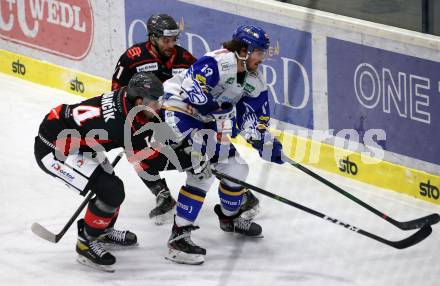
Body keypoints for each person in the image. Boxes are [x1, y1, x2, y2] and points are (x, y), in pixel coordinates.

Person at [34, 72, 196, 272]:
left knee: (110, 187)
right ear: (139, 101)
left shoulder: (126, 99)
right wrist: (190, 161)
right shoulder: (124, 125)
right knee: (111, 190)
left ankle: (102, 232)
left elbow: (152, 124)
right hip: (54, 149)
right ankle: (86, 242)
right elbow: (150, 160)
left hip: (74, 138)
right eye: (155, 102)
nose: (159, 106)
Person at [112, 13, 260, 224]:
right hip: (146, 118)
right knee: (137, 152)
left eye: (174, 39)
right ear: (152, 37)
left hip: (180, 114)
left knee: (204, 150)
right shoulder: (132, 57)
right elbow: (117, 92)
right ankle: (162, 194)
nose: (171, 44)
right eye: (166, 40)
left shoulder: (184, 58)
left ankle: (236, 190)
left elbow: (199, 86)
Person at [161, 25, 284, 265]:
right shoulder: (219, 61)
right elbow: (192, 87)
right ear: (244, 50)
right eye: (258, 52)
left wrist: (263, 141)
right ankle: (178, 239)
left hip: (207, 124)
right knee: (202, 173)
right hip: (178, 111)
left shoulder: (256, 80)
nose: (262, 58)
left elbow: (253, 119)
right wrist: (214, 108)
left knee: (237, 169)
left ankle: (229, 218)